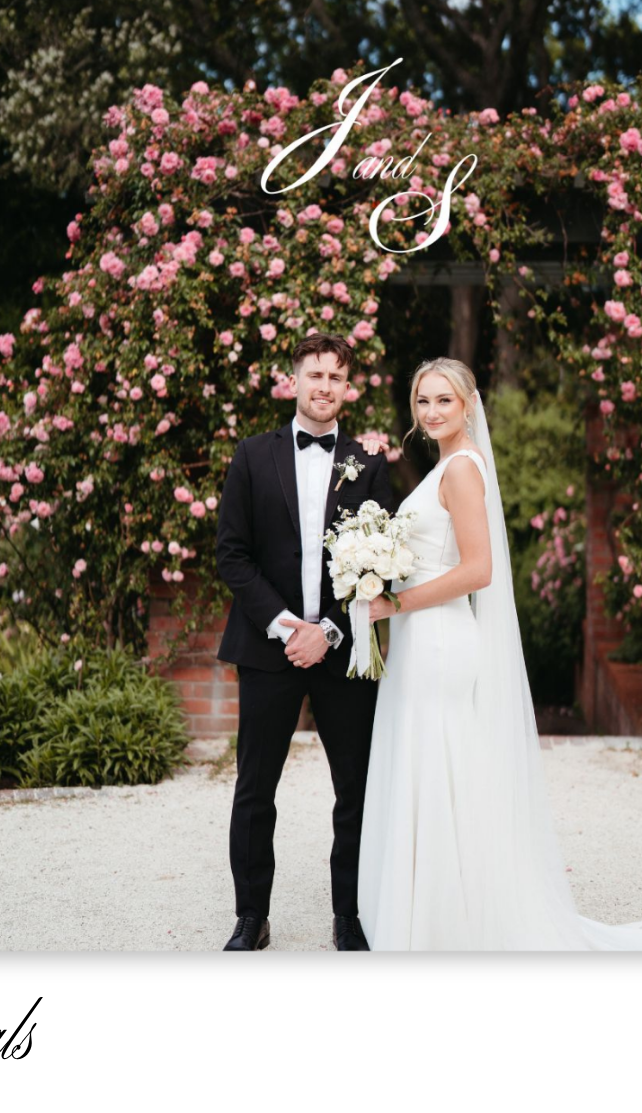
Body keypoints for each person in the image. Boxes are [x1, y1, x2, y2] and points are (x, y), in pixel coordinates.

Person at [353, 358, 642, 950]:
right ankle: (434, 908)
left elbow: (477, 570)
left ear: (469, 405)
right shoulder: (447, 467)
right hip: (420, 642)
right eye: (423, 401)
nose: (431, 411)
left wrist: (395, 606)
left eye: (444, 401)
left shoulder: (460, 471)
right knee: (435, 766)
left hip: (438, 641)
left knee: (440, 765)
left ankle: (441, 920)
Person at [214, 334, 395, 952]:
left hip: (344, 651)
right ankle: (251, 918)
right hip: (269, 649)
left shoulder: (370, 464)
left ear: (348, 388)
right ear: (294, 380)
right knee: (255, 789)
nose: (324, 386)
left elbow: (385, 565)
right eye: (314, 374)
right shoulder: (251, 456)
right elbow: (231, 554)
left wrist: (331, 632)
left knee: (356, 787)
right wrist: (287, 625)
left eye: (336, 377)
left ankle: (349, 916)